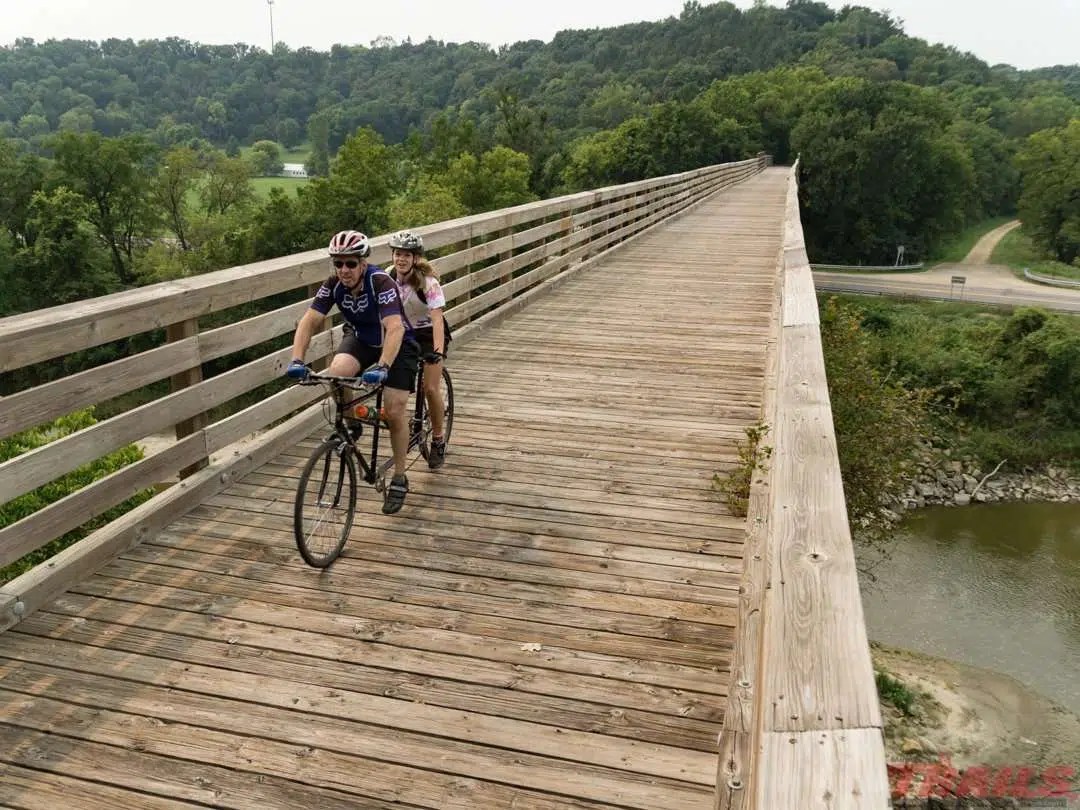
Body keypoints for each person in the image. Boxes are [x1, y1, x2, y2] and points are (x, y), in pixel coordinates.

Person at [286, 229, 418, 514]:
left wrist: (383, 366)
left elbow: (394, 328)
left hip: (397, 344)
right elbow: (310, 320)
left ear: (362, 262)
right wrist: (297, 360)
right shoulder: (334, 284)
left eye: (350, 263)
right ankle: (351, 420)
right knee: (336, 372)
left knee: (394, 410)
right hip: (362, 338)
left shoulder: (380, 282)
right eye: (338, 263)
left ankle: (399, 476)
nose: (344, 269)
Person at [387, 229, 451, 469]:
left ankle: (438, 439)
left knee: (431, 388)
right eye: (397, 254)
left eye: (406, 255)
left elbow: (436, 318)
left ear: (415, 258)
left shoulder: (428, 283)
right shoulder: (387, 278)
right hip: (402, 333)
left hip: (427, 333)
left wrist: (437, 349)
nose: (400, 259)